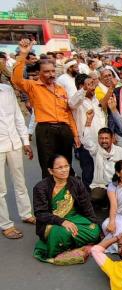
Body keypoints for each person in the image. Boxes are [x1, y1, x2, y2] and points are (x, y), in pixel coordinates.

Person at [12, 39, 80, 178]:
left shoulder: (61, 89)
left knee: (66, 166)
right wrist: (23, 54)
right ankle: (50, 197)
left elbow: (68, 113)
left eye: (53, 71)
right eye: (47, 72)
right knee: (48, 167)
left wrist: (75, 134)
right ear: (39, 72)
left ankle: (66, 197)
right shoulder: (33, 86)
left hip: (64, 130)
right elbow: (17, 79)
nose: (51, 74)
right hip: (46, 131)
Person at [33, 155, 100, 264]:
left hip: (74, 218)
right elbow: (40, 214)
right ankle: (66, 245)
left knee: (94, 231)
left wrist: (95, 223)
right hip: (52, 223)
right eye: (59, 168)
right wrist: (62, 222)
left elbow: (86, 205)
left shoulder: (76, 182)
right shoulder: (41, 188)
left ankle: (68, 245)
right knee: (61, 233)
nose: (64, 170)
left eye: (66, 166)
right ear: (50, 171)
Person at [0, 83, 35, 239]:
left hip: (14, 142)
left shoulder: (6, 90)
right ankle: (6, 224)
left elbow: (17, 117)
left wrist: (25, 142)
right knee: (0, 189)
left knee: (20, 181)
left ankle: (26, 213)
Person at [69, 73, 107, 188]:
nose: (93, 86)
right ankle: (88, 201)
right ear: (82, 87)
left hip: (101, 143)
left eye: (93, 83)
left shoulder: (96, 100)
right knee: (88, 173)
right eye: (89, 84)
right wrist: (84, 90)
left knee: (102, 172)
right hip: (85, 144)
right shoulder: (77, 102)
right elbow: (72, 103)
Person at [82, 125, 122, 212]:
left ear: (112, 139)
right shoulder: (95, 150)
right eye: (101, 138)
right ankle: (105, 202)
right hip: (102, 184)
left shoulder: (121, 151)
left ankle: (113, 204)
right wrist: (88, 123)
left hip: (118, 184)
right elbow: (86, 141)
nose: (104, 141)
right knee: (94, 197)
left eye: (106, 138)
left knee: (121, 203)